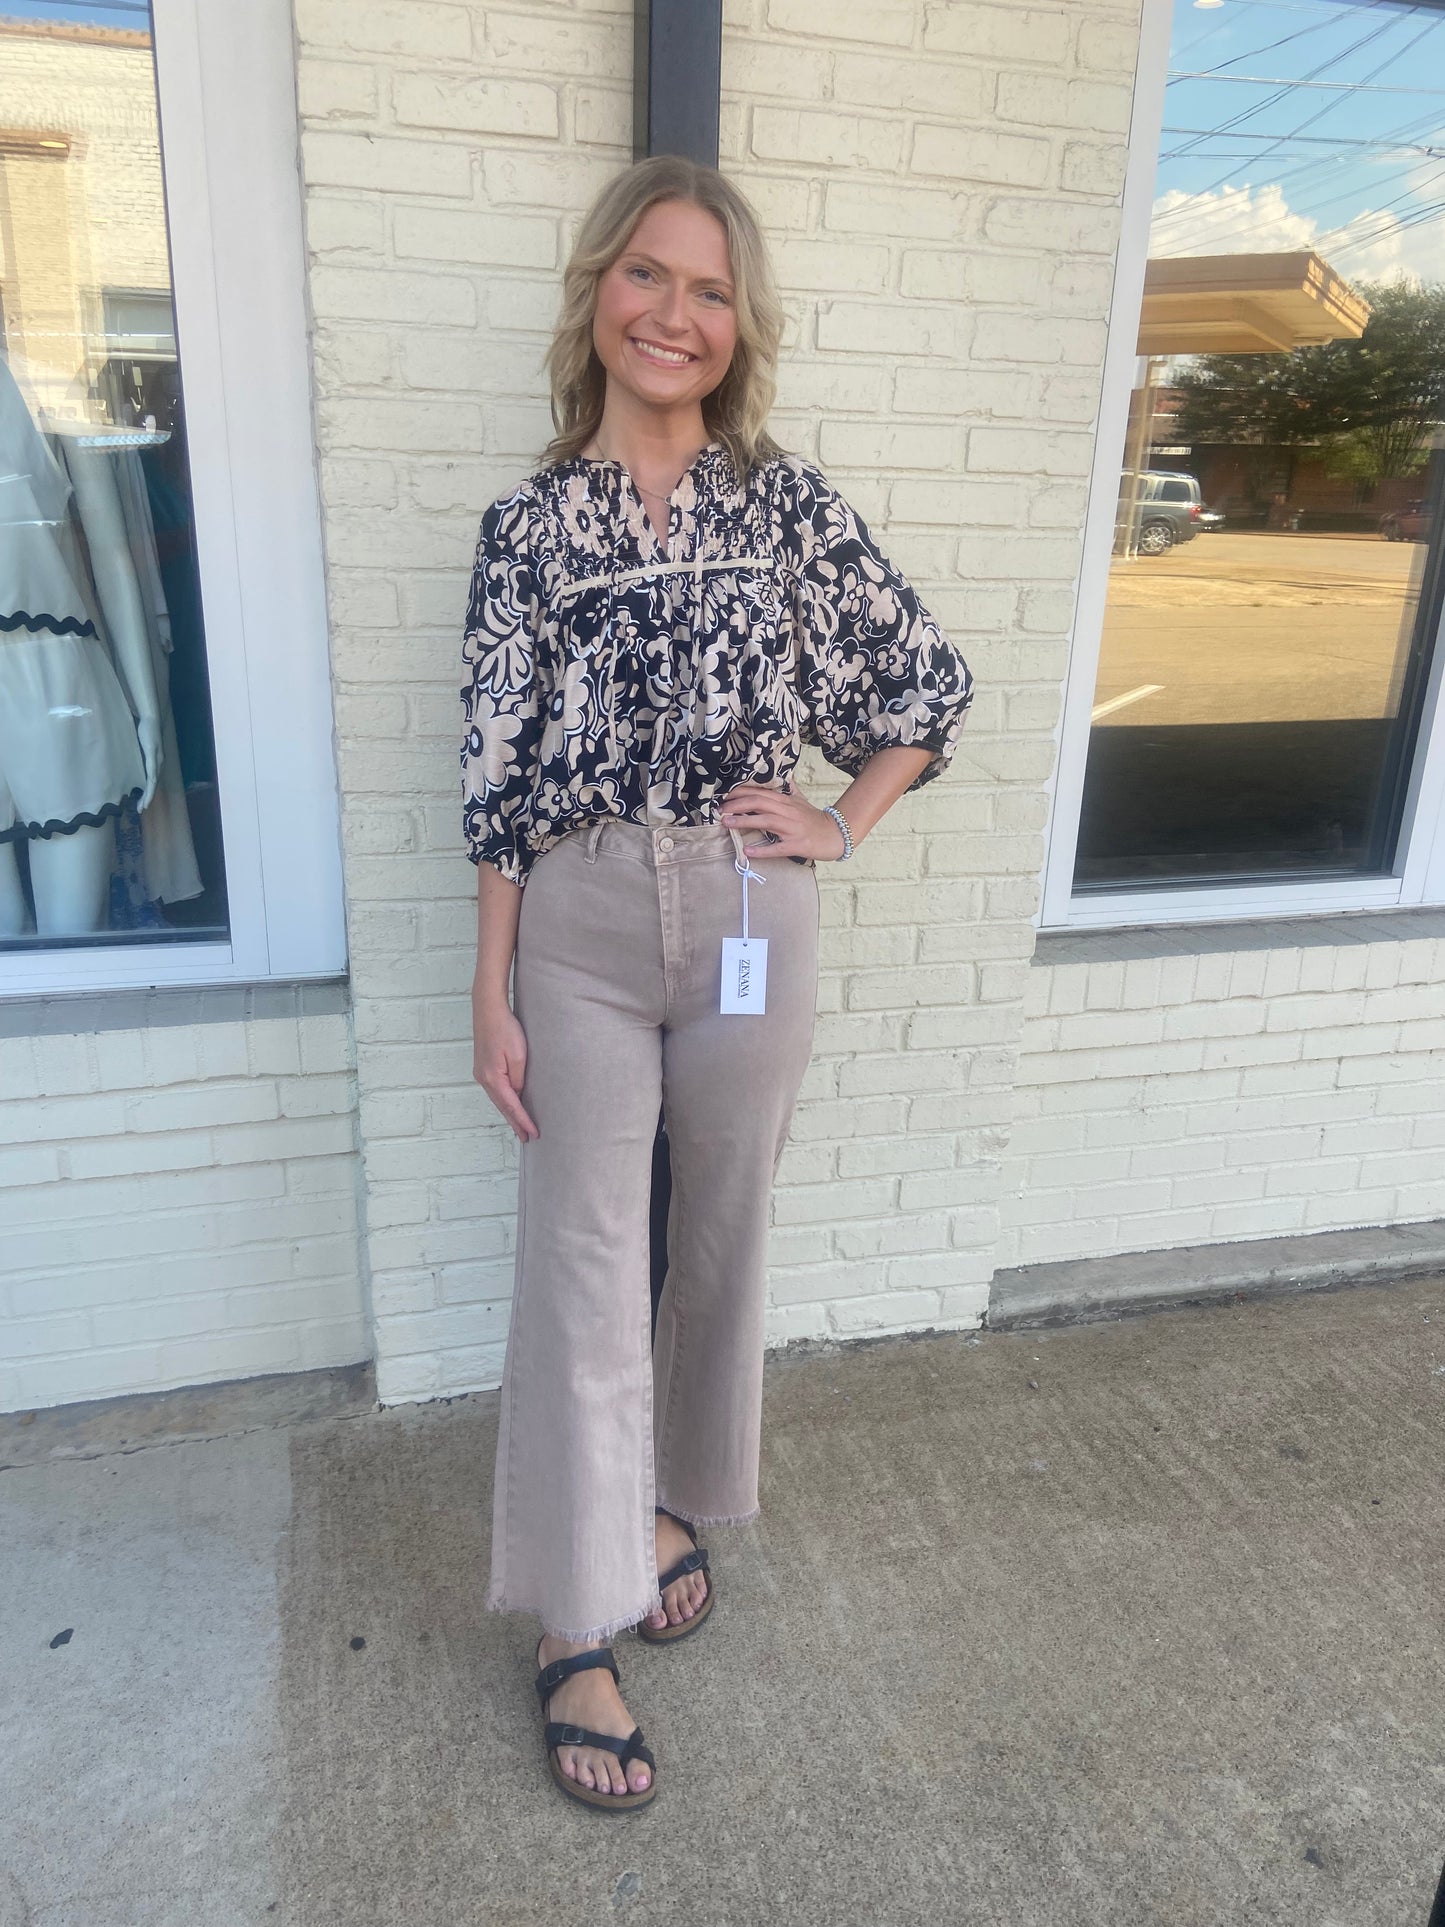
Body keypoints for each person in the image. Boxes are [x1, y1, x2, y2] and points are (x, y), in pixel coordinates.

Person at [461, 154, 974, 1813]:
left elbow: (924, 686)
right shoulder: (528, 529)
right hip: (585, 917)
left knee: (719, 1233)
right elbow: (496, 784)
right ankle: (570, 1618)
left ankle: (671, 1501)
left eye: (707, 288)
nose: (672, 313)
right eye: (645, 276)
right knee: (584, 1259)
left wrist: (841, 817)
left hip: (752, 904)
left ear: (738, 324)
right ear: (595, 294)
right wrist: (495, 990)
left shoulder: (787, 511)